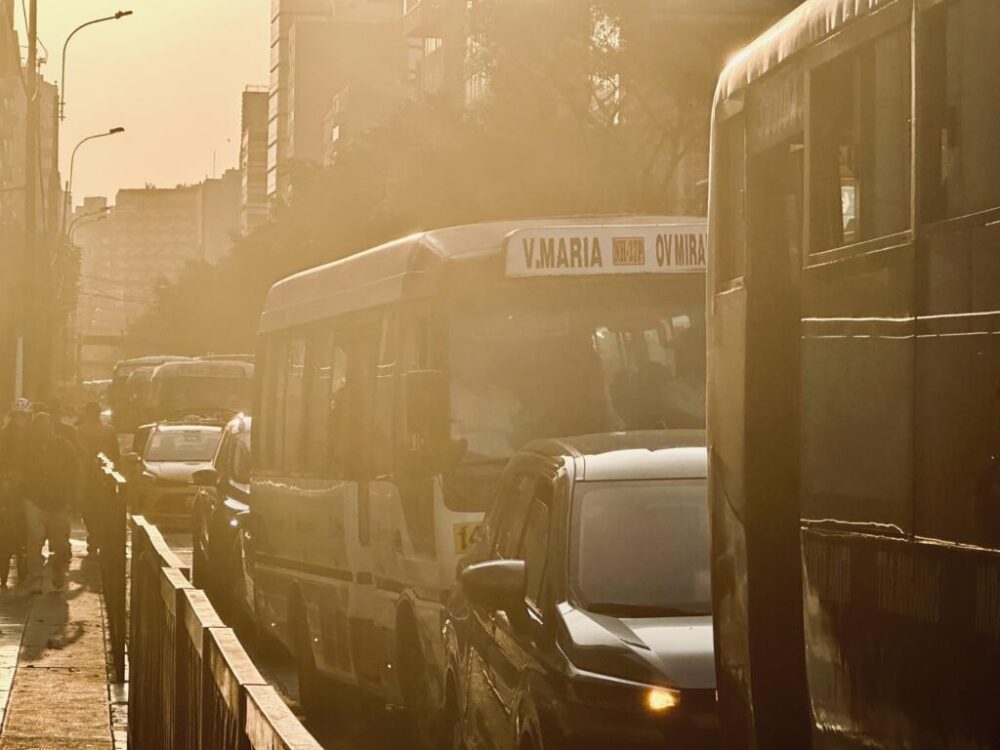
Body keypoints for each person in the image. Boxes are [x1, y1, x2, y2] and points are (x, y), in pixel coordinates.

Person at [21, 412, 79, 593]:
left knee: (60, 540)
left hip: (58, 500)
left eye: (45, 428)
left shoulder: (63, 446)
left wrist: (72, 496)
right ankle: (36, 577)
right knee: (35, 539)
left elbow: (76, 470)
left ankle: (58, 569)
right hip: (34, 499)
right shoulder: (28, 448)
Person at [76, 401, 120, 556]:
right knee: (98, 510)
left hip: (92, 478)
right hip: (100, 477)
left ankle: (95, 537)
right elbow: (115, 456)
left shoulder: (81, 431)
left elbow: (114, 454)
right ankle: (97, 537)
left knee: (91, 511)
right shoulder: (108, 431)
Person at [0, 400, 31, 589]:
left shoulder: (33, 436)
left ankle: (22, 555)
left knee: (24, 525)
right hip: (8, 487)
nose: (21, 420)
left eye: (24, 416)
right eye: (18, 416)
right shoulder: (4, 435)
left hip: (27, 488)